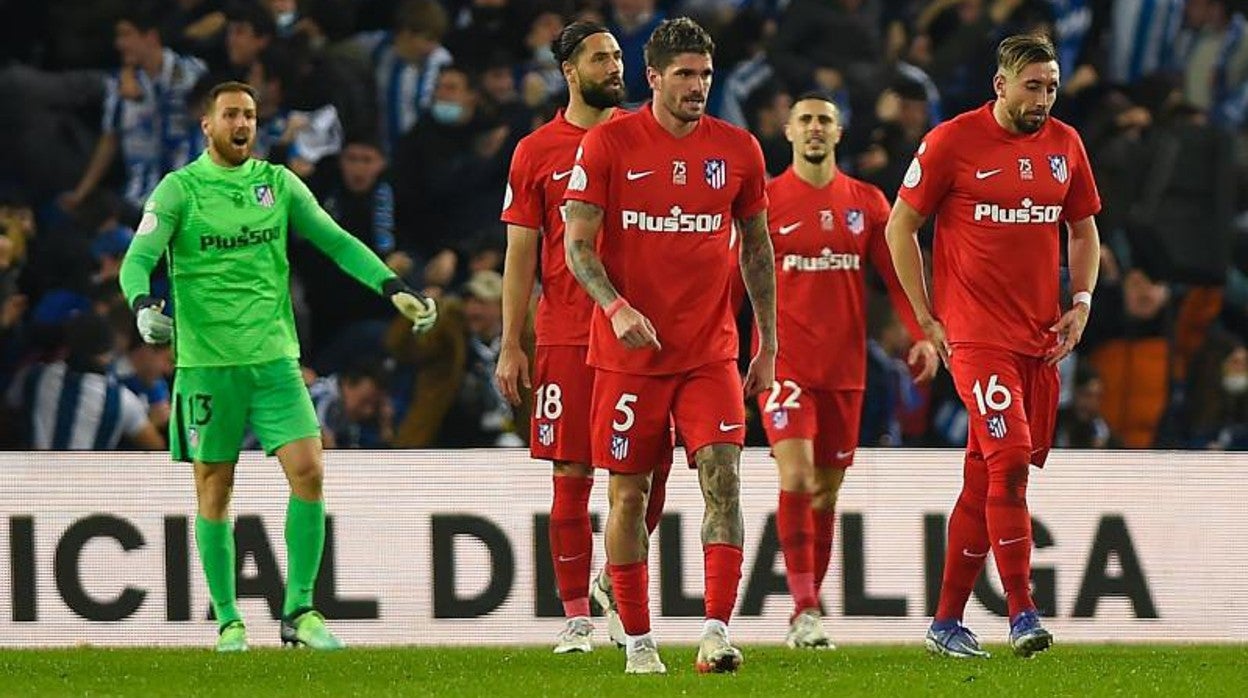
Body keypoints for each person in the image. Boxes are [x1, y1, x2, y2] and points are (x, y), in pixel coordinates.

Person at [118, 81, 437, 653]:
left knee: (309, 470)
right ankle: (228, 621)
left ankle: (300, 611)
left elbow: (338, 243)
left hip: (274, 360)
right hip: (207, 367)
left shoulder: (278, 184)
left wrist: (392, 287)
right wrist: (142, 306)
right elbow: (137, 259)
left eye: (250, 115)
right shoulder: (178, 190)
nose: (242, 124)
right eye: (231, 115)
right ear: (207, 126)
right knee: (214, 487)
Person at [562, 17, 776, 674]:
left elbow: (759, 249)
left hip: (710, 351)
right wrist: (616, 306)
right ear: (651, 77)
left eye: (705, 74)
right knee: (628, 496)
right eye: (684, 74)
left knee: (724, 481)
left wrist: (766, 342)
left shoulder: (738, 150)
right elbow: (576, 245)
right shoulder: (608, 145)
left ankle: (716, 631)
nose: (697, 86)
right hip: (628, 357)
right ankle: (639, 641)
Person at [885, 33, 1101, 659]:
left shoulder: (1066, 144)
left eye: (1052, 86)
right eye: (1032, 86)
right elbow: (901, 226)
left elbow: (1083, 230)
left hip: (1039, 339)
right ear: (1000, 85)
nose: (1043, 99)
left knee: (985, 479)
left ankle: (945, 622)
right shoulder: (953, 140)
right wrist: (926, 318)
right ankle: (1022, 612)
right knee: (1006, 461)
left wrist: (1081, 302)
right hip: (976, 336)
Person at [495, 21, 670, 654]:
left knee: (650, 472)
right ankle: (575, 617)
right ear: (570, 71)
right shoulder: (535, 151)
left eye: (618, 55)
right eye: (601, 58)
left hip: (641, 332)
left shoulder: (647, 137)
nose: (614, 66)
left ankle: (609, 580)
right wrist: (512, 342)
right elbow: (521, 253)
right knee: (571, 473)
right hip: (568, 332)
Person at [761, 92, 939, 649]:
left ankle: (808, 611)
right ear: (788, 132)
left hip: (845, 371)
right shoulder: (764, 202)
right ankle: (804, 607)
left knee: (826, 495)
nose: (815, 128)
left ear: (839, 134)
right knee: (796, 477)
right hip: (786, 368)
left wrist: (923, 333)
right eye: (805, 120)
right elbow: (728, 285)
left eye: (825, 121)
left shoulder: (867, 203)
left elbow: (897, 277)